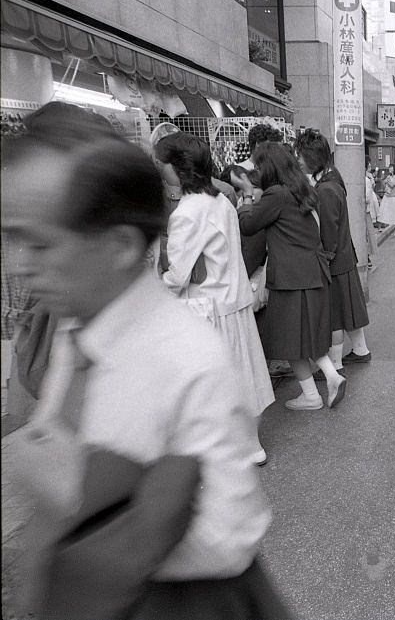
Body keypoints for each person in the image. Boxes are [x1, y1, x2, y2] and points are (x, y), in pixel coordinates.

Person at [2, 126, 289, 618]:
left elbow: (230, 531)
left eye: (41, 244)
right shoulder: (77, 329)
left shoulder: (186, 355)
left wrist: (79, 504)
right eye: (10, 238)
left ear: (118, 244)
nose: (18, 265)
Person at [154, 132, 275, 465]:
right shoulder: (221, 201)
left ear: (176, 168)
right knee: (244, 378)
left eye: (161, 163)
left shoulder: (188, 211)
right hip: (233, 301)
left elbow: (177, 276)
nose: (160, 169)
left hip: (206, 308)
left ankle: (219, 451)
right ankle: (250, 446)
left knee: (212, 385)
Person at [235, 143, 346, 411]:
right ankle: (331, 376)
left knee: (289, 339)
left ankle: (311, 395)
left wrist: (248, 196)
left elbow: (249, 225)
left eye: (258, 166)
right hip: (313, 273)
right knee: (305, 334)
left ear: (269, 168)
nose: (256, 171)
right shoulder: (301, 189)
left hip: (290, 278)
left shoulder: (275, 194)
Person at [293, 130, 372, 369]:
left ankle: (335, 365)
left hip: (334, 261)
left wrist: (323, 261)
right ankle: (360, 350)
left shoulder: (325, 190)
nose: (298, 161)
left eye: (300, 157)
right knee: (348, 310)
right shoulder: (333, 178)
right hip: (344, 258)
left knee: (336, 315)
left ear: (312, 158)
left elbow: (328, 233)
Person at [364, 157, 380, 268]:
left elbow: (367, 198)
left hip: (365, 211)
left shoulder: (367, 179)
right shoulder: (366, 179)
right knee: (366, 235)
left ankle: (366, 257)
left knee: (366, 235)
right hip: (365, 211)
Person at [379, 164, 395, 230]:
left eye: (391, 167)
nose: (389, 169)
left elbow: (393, 184)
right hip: (387, 196)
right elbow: (385, 186)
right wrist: (382, 180)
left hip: (394, 197)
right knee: (383, 212)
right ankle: (380, 227)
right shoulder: (388, 176)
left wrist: (386, 181)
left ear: (394, 168)